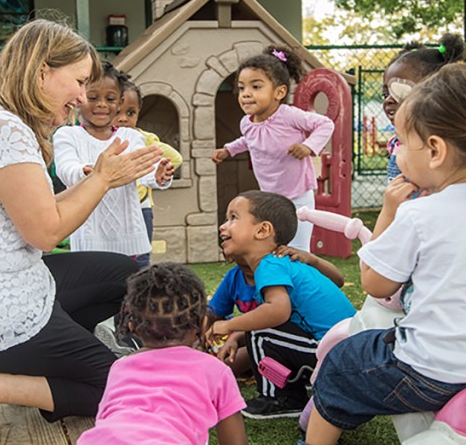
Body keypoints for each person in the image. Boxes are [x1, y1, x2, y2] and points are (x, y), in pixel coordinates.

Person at [0, 19, 163, 421]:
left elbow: (39, 210)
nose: (83, 98)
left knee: (124, 274)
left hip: (21, 277)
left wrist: (105, 176)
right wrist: (103, 179)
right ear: (43, 70)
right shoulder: (2, 128)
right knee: (113, 393)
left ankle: (52, 362)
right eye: (79, 82)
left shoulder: (0, 120)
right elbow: (46, 232)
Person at [305, 63, 466, 445]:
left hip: (429, 370)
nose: (396, 151)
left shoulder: (419, 214)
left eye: (399, 141)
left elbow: (376, 283)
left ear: (434, 150)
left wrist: (390, 211)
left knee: (343, 364)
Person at [206, 190, 355, 420]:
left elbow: (277, 311)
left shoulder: (269, 265)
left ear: (263, 230)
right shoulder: (280, 264)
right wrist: (236, 335)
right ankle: (299, 384)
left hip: (336, 353)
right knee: (264, 329)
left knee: (260, 332)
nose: (223, 226)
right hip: (349, 350)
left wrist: (228, 327)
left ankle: (279, 398)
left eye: (233, 218)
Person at [77, 262, 248, 445]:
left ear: (132, 328)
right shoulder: (216, 370)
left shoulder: (120, 367)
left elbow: (106, 418)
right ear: (201, 325)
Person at [211, 44, 335, 252]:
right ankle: (277, 281)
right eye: (242, 88)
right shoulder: (247, 123)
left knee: (298, 248)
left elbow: (325, 124)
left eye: (256, 87)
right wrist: (228, 150)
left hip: (297, 194)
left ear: (279, 92)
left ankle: (301, 281)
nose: (246, 94)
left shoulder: (289, 115)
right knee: (273, 245)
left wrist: (308, 146)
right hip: (270, 197)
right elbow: (248, 140)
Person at [53, 61, 174, 260]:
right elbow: (66, 168)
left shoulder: (131, 137)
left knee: (130, 287)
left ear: (119, 103)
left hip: (128, 237)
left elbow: (141, 171)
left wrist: (158, 175)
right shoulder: (67, 135)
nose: (102, 104)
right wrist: (86, 171)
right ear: (79, 97)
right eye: (93, 97)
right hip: (88, 237)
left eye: (110, 99)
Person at [207, 247, 344, 377]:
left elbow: (338, 280)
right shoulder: (234, 278)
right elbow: (212, 313)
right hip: (279, 337)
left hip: (308, 342)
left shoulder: (279, 265)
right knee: (248, 342)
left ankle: (275, 396)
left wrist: (312, 260)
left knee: (256, 338)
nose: (224, 228)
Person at [112, 77, 183, 268]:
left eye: (131, 113)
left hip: (141, 208)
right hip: (112, 209)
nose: (123, 118)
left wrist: (147, 173)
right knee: (113, 256)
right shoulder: (100, 140)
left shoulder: (143, 139)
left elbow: (175, 158)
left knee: (141, 257)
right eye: (117, 112)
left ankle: (139, 294)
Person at [383, 33, 464, 183]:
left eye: (401, 93)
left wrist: (391, 207)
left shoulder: (449, 144)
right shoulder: (397, 141)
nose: (388, 101)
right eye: (385, 94)